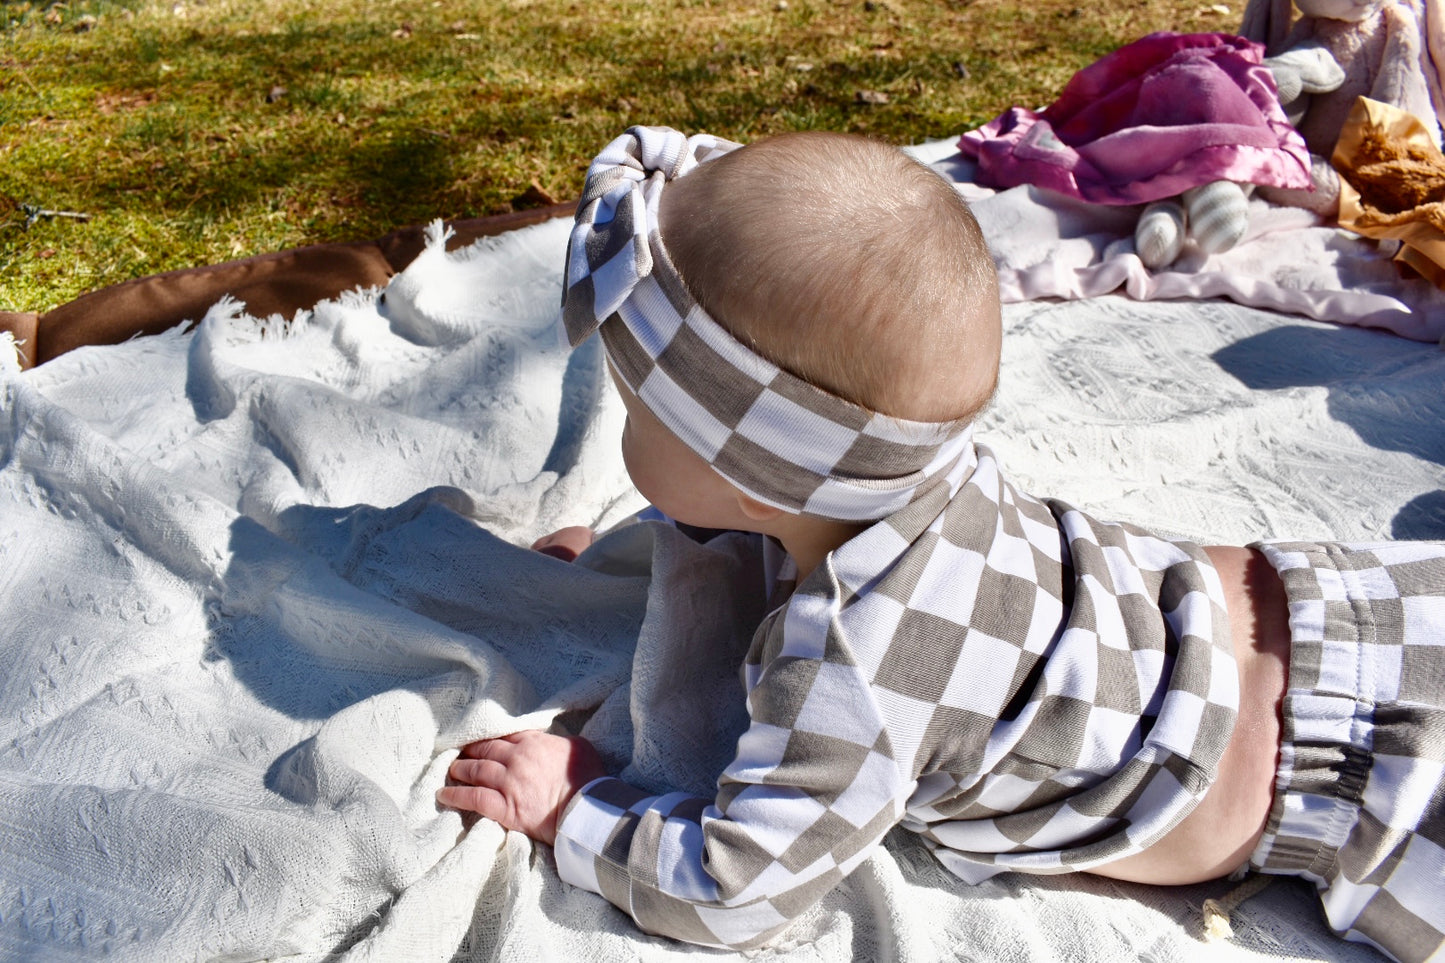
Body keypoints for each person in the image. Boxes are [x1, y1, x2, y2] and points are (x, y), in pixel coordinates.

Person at [436, 126, 1445, 963]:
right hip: (1325, 606)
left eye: (635, 418)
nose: (624, 440)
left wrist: (574, 812)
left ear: (751, 471)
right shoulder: (908, 477)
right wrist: (626, 561)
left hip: (1350, 784)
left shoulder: (854, 669)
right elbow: (728, 522)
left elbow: (735, 888)